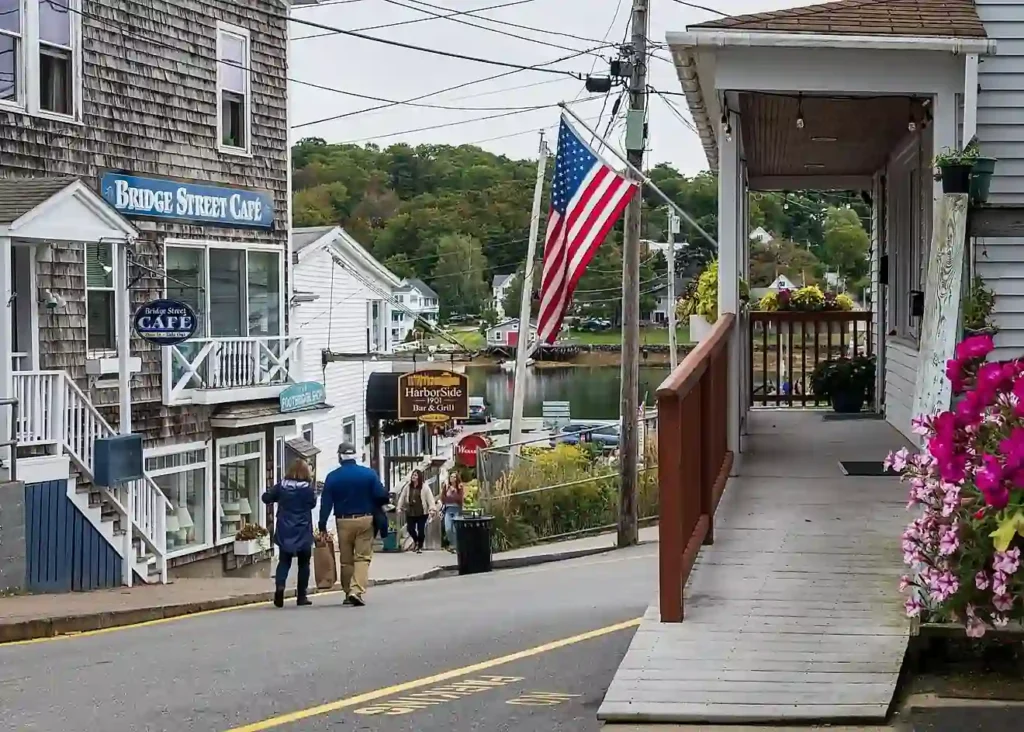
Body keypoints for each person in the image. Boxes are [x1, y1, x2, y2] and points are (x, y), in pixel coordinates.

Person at [318, 441, 388, 606]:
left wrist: (322, 524)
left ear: (340, 456)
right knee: (362, 557)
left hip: (343, 521)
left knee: (346, 559)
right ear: (354, 455)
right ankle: (356, 590)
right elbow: (381, 495)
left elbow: (326, 503)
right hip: (365, 519)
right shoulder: (369, 474)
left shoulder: (333, 477)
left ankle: (348, 591)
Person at [262, 459, 317, 608]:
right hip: (303, 529)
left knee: (284, 561)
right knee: (304, 563)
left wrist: (273, 494)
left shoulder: (282, 486)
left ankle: (280, 588)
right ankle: (301, 596)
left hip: (285, 528)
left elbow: (266, 498)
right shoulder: (308, 489)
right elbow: (312, 504)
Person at [397, 469, 436, 553]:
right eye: (413, 475)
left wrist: (432, 509)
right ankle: (416, 540)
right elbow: (402, 497)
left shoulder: (424, 487)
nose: (413, 477)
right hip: (410, 511)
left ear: (419, 477)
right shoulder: (408, 486)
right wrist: (399, 507)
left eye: (415, 475)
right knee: (410, 528)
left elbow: (430, 499)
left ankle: (419, 546)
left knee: (421, 529)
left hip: (422, 512)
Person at [439, 470, 465, 554]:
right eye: (451, 477)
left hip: (456, 508)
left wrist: (455, 491)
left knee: (455, 529)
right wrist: (445, 489)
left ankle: (455, 546)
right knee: (448, 528)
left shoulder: (459, 487)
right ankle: (452, 544)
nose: (452, 478)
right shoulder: (446, 487)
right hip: (448, 508)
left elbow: (460, 499)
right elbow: (443, 498)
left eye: (454, 477)